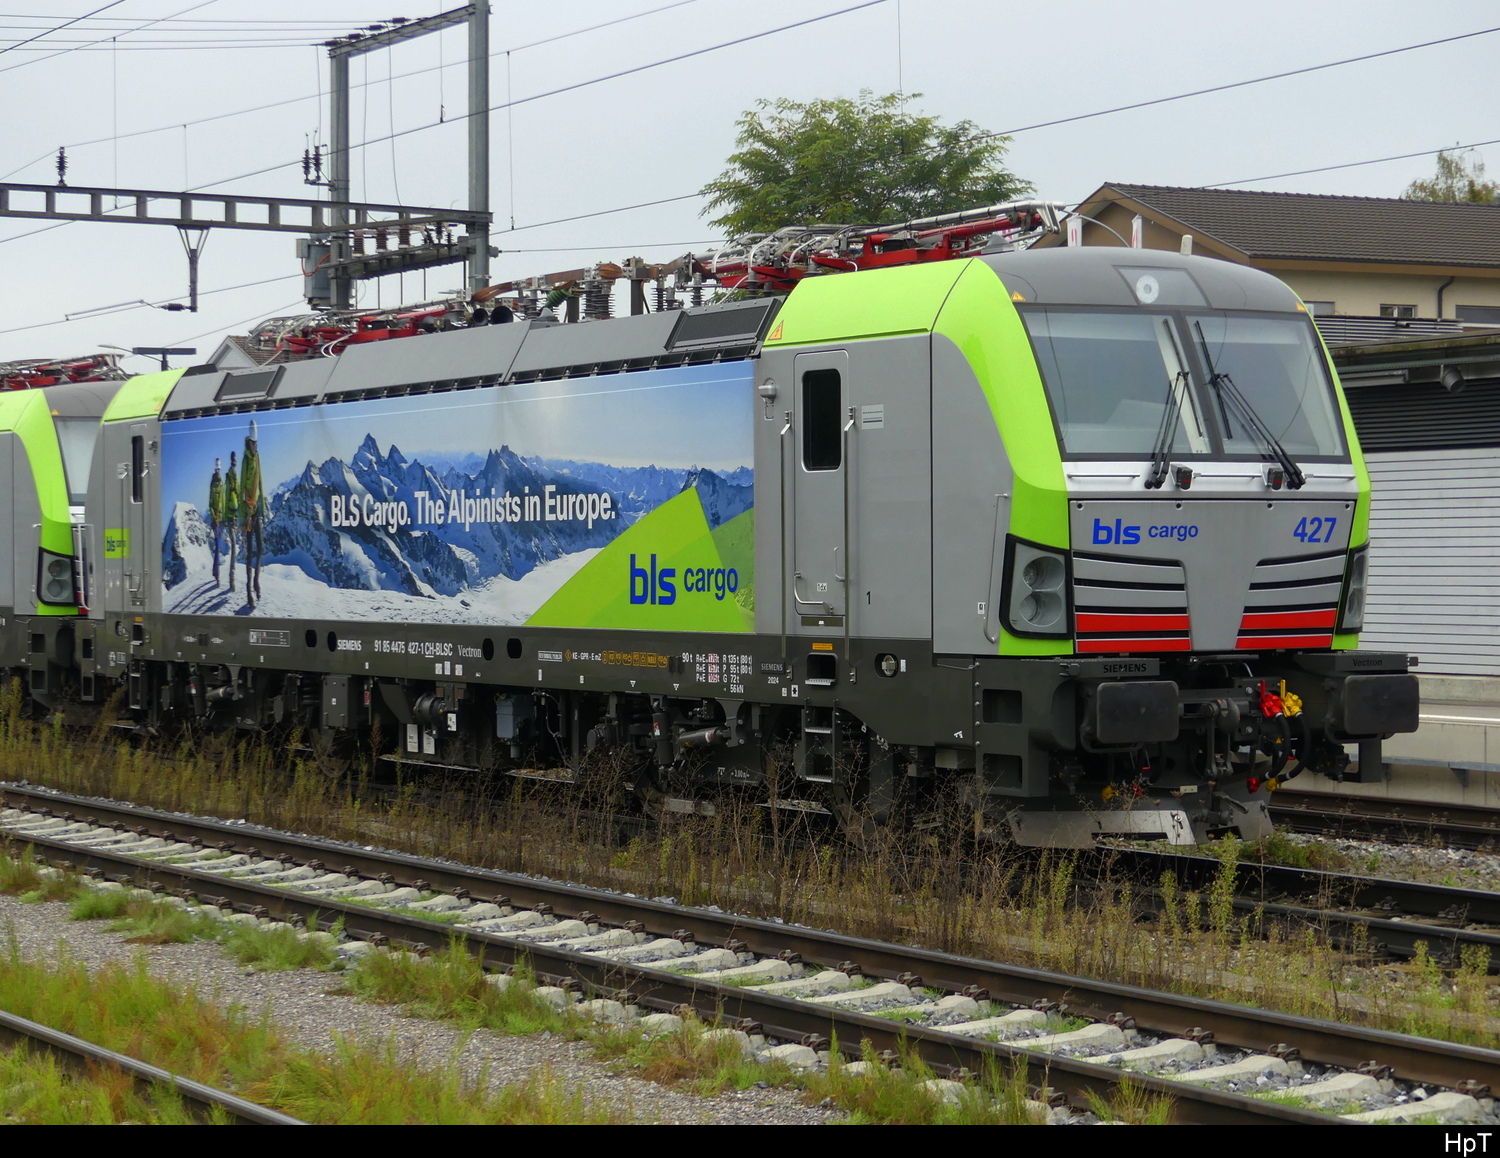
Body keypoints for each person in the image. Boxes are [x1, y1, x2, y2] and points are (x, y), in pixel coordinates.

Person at [241, 419, 265, 606]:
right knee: (250, 552)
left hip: (256, 510)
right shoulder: (246, 460)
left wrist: (262, 507)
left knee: (261, 549)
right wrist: (247, 508)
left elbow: (260, 483)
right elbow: (244, 486)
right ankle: (249, 590)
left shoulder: (257, 458)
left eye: (256, 443)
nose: (255, 446)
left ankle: (256, 582)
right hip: (248, 512)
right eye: (253, 443)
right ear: (249, 442)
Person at [223, 451, 239, 593]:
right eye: (233, 462)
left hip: (233, 516)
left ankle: (231, 579)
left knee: (234, 547)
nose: (234, 465)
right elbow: (229, 497)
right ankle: (231, 580)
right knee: (234, 547)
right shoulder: (231, 479)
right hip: (231, 516)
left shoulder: (232, 478)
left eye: (235, 463)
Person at [208, 457, 224, 583]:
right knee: (218, 545)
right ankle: (217, 573)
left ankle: (215, 570)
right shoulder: (214, 487)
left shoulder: (219, 486)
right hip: (216, 521)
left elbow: (220, 502)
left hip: (219, 519)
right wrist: (215, 517)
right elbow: (212, 504)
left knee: (218, 545)